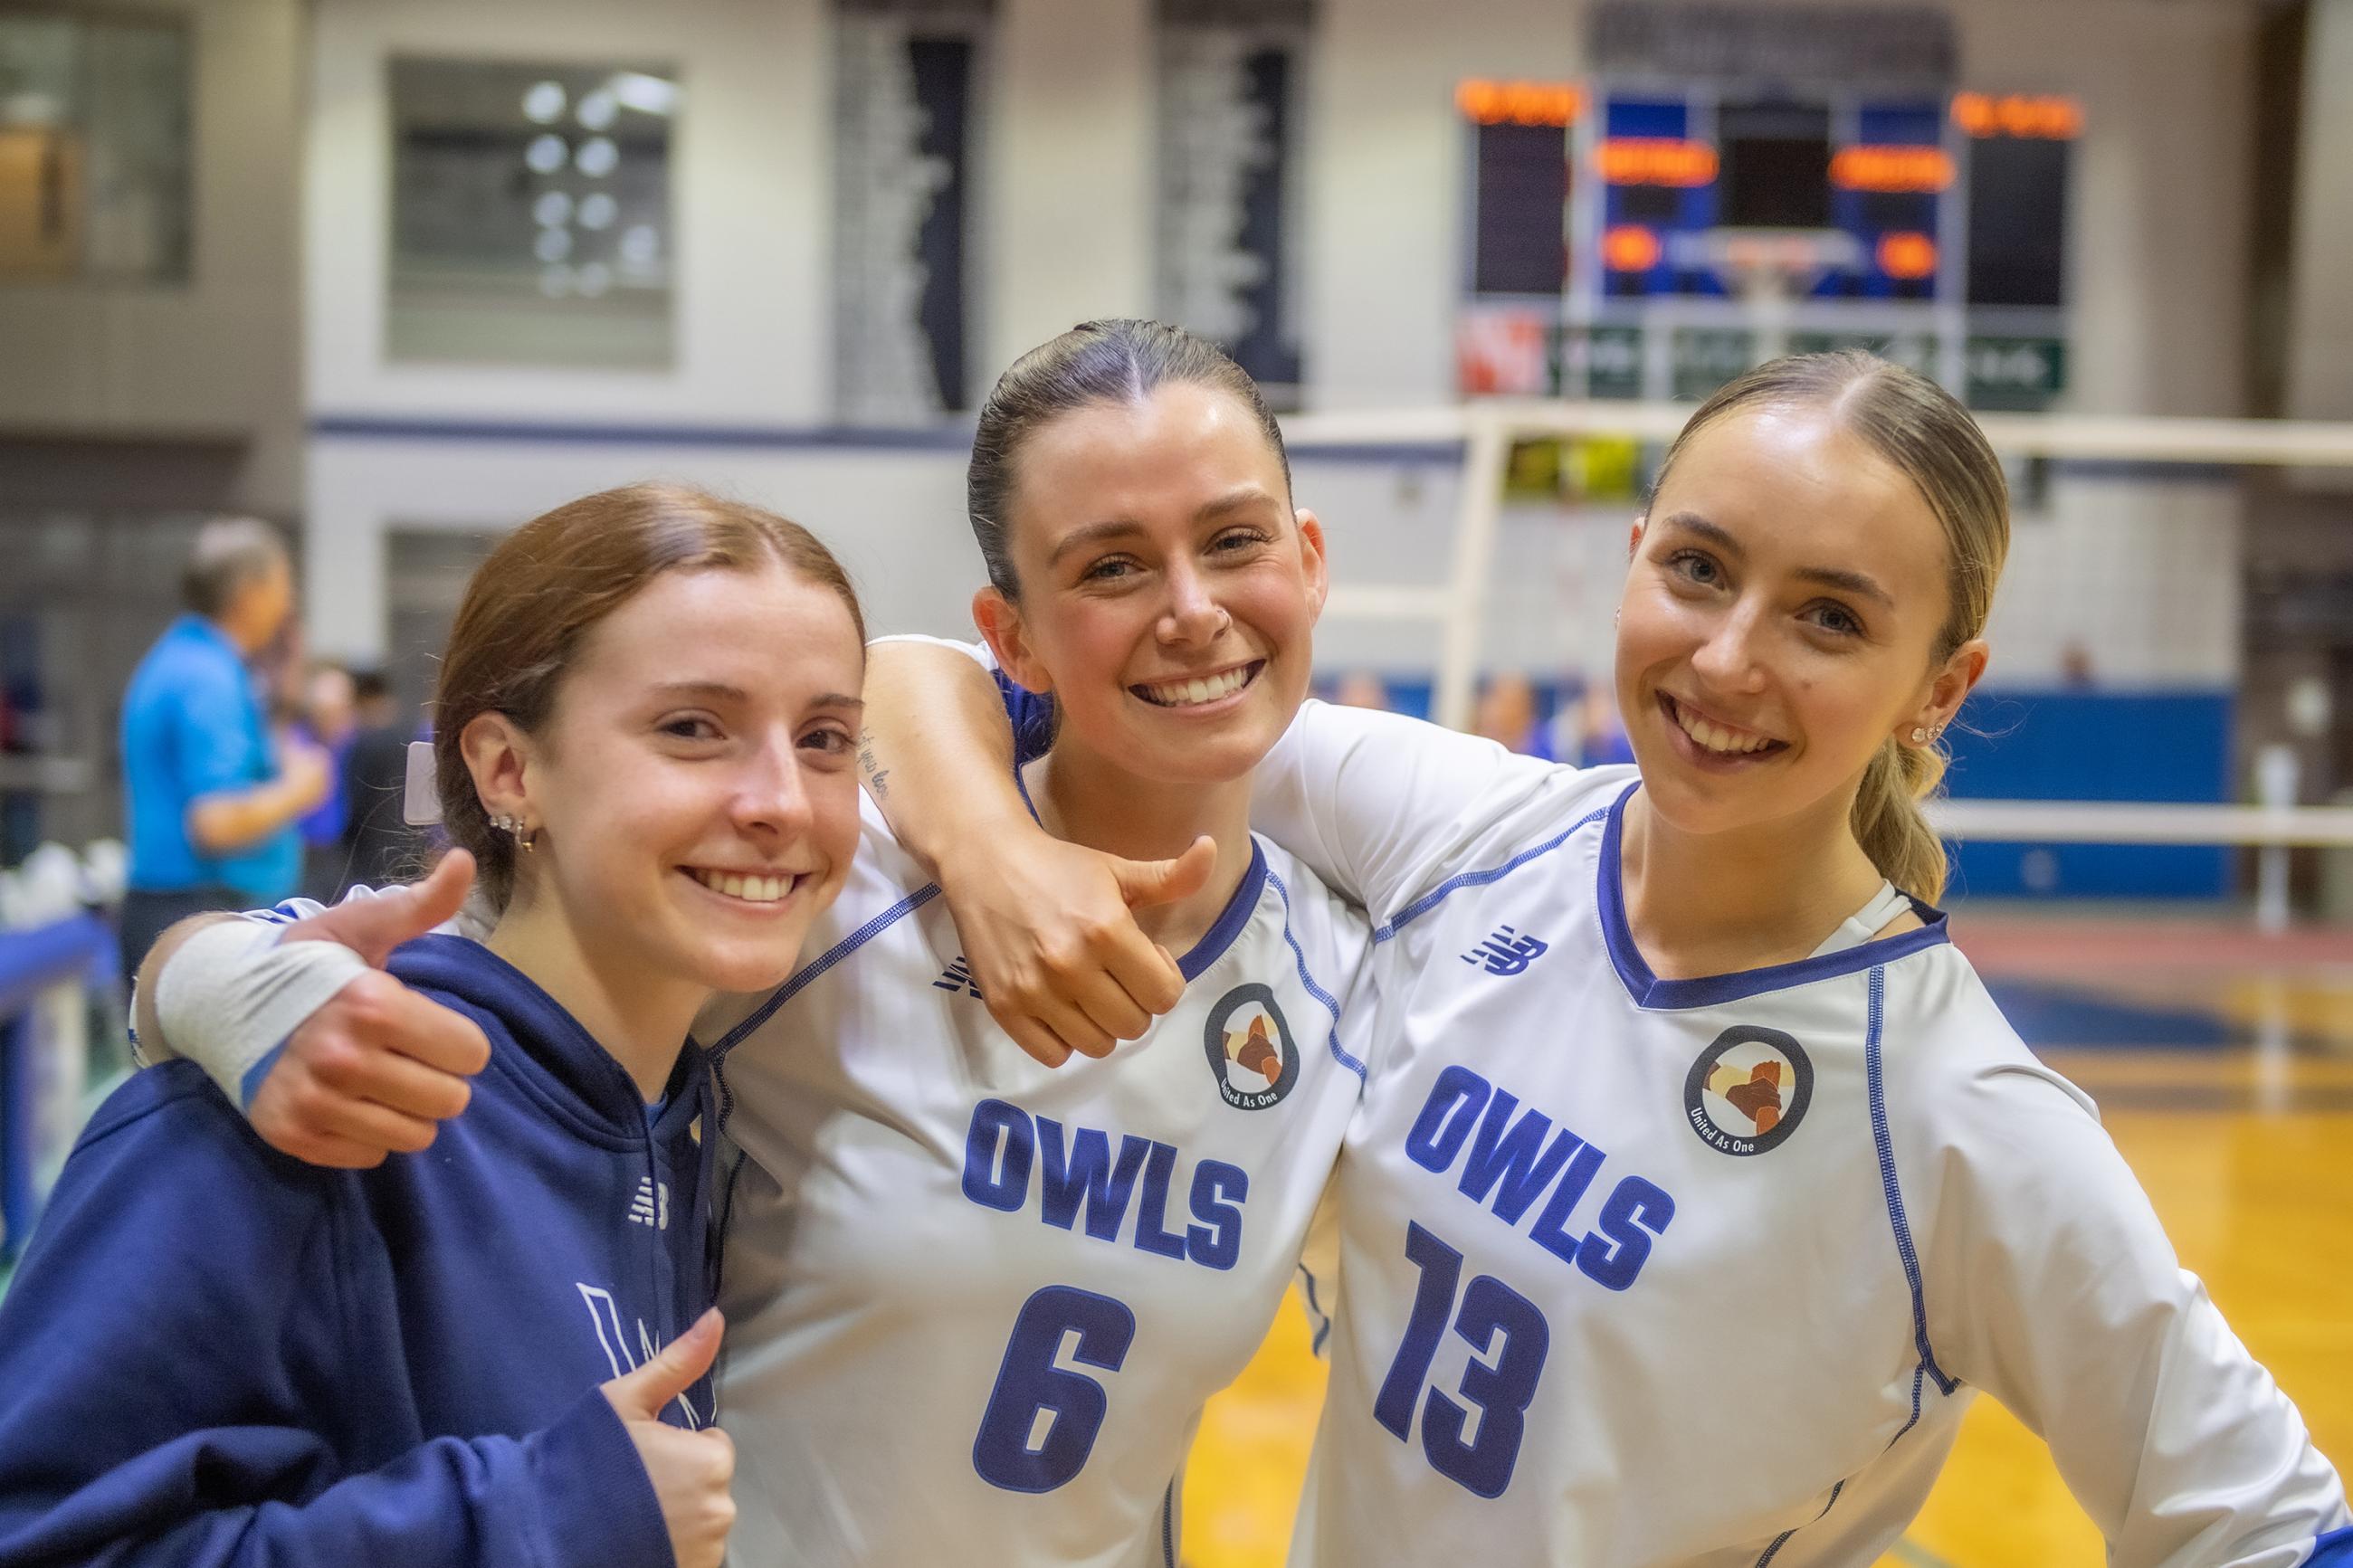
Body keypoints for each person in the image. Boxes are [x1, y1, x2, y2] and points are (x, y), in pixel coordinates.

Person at [849, 353, 2351, 1564]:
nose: (1728, 657)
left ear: (1936, 688)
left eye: (1830, 615)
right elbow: (955, 675)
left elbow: (2274, 1524)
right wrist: (991, 850)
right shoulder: (1462, 828)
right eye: (1699, 570)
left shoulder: (1962, 1117)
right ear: (1637, 561)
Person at [138, 321, 1377, 1567]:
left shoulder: (1356, 982)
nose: (1190, 610)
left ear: (1310, 560)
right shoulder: (824, 886)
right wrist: (210, 980)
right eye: (1110, 568)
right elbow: (470, 963)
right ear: (1013, 637)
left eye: (1233, 540)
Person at [0, 483, 869, 1568]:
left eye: (826, 735)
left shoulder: (699, 1120)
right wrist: (540, 1517)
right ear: (507, 770)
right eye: (692, 727)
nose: (782, 799)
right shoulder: (305, 1094)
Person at [117, 517, 330, 978]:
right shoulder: (207, 678)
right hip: (193, 913)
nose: (287, 603)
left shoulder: (192, 659)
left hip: (184, 909)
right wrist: (300, 787)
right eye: (282, 584)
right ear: (250, 591)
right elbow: (215, 822)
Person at [337, 667, 422, 896]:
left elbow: (352, 804)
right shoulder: (413, 735)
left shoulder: (361, 743)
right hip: (411, 847)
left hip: (369, 851)